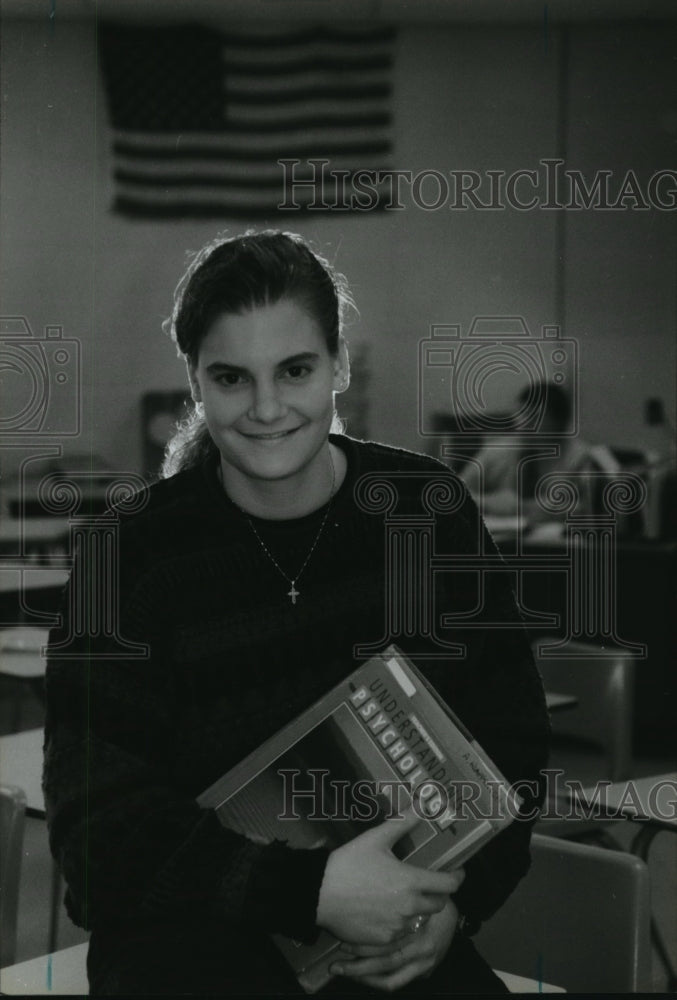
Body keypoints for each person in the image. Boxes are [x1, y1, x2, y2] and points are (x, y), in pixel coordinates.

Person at [43, 230, 550, 995]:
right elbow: (96, 840)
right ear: (195, 381)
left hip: (395, 931)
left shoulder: (427, 512)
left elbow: (510, 742)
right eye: (231, 377)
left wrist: (457, 903)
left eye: (296, 369)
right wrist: (310, 891)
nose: (267, 408)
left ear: (339, 365)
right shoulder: (127, 555)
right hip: (190, 945)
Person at [459, 381, 620, 523]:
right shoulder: (496, 451)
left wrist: (521, 507)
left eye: (534, 417)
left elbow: (586, 508)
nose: (522, 423)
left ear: (558, 424)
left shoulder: (580, 457)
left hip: (554, 543)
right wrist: (488, 502)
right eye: (520, 413)